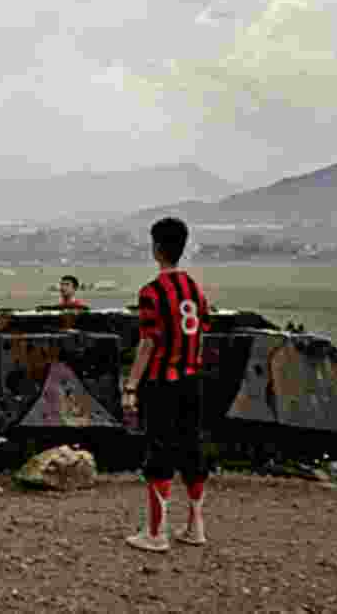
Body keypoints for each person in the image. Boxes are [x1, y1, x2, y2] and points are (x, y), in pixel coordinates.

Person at [122, 217, 211, 552]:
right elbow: (200, 335)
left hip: (163, 382)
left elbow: (147, 343)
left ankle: (157, 533)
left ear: (156, 248)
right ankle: (195, 527)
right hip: (193, 379)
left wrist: (131, 385)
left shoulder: (151, 292)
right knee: (192, 449)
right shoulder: (195, 290)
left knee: (159, 450)